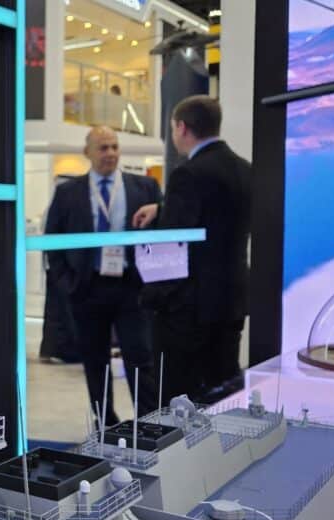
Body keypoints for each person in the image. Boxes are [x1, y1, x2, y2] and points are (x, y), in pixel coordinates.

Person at [134, 95, 252, 407]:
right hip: (230, 302)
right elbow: (215, 221)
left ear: (182, 128)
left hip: (188, 312)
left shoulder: (187, 174)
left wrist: (152, 298)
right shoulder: (245, 169)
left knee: (179, 403)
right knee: (223, 395)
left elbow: (171, 248)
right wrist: (162, 208)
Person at [44, 126, 161, 427]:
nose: (110, 153)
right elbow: (52, 240)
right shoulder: (68, 192)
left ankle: (150, 422)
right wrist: (67, 283)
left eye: (114, 147)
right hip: (87, 287)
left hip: (132, 286)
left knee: (141, 357)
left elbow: (161, 236)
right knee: (95, 360)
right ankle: (106, 422)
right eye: (103, 147)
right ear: (88, 152)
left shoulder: (145, 187)